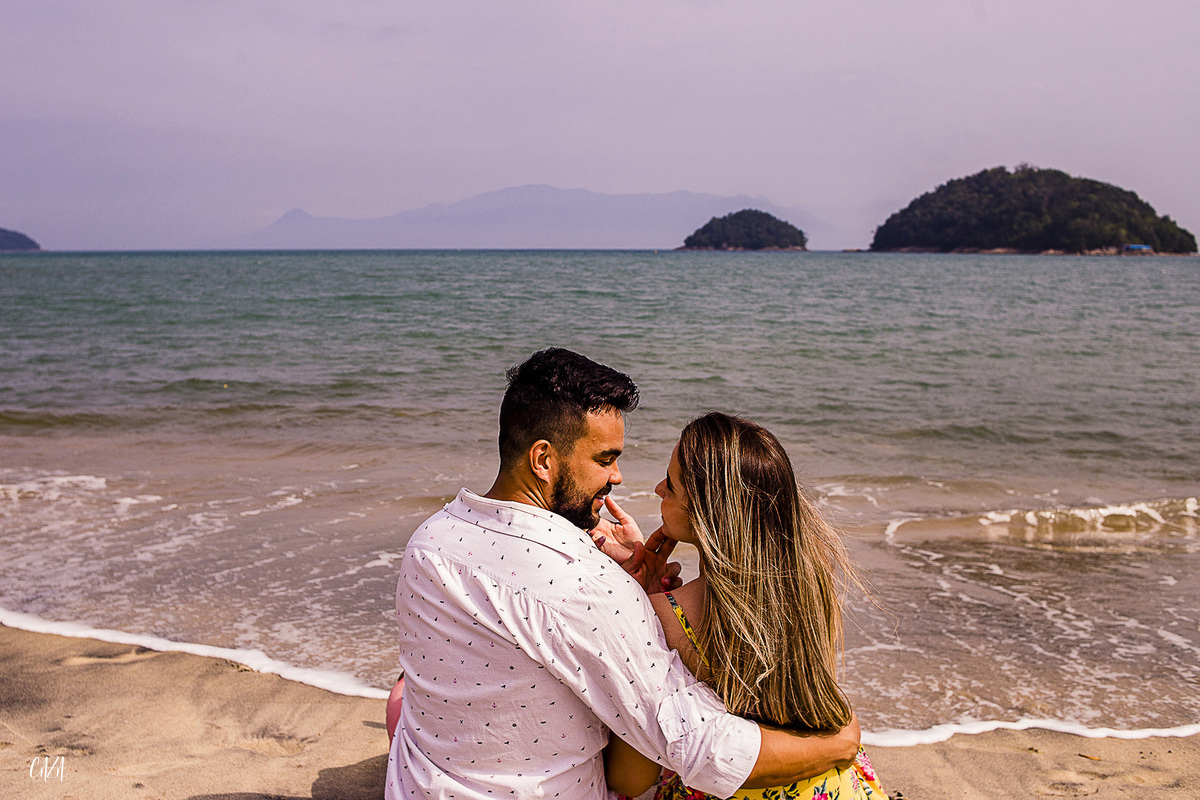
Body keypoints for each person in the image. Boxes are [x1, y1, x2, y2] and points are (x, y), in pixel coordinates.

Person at [385, 348, 861, 800]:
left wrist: (634, 596)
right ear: (543, 460)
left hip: (416, 786)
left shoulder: (430, 539)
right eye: (605, 459)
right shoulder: (583, 583)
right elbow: (698, 747)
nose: (617, 478)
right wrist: (840, 744)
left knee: (402, 695)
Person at [602, 412, 885, 800]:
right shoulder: (810, 572)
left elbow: (630, 777)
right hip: (835, 783)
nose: (658, 489)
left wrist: (637, 596)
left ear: (706, 509)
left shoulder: (668, 615)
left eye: (671, 484)